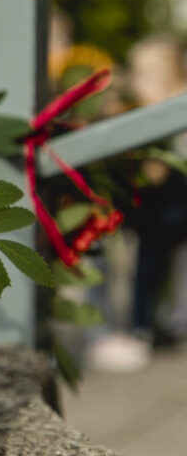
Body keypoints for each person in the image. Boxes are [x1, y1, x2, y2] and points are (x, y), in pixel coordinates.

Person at [88, 35, 187, 371]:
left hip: (170, 206)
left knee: (164, 265)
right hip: (144, 208)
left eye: (149, 72)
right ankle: (138, 325)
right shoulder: (130, 111)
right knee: (145, 265)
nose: (139, 80)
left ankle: (161, 322)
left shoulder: (174, 110)